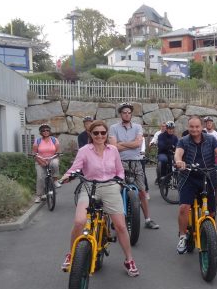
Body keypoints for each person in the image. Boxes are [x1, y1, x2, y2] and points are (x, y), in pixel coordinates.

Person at [60, 120, 139, 277]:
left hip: (110, 186)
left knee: (121, 226)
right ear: (90, 134)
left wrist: (118, 182)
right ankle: (71, 254)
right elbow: (75, 168)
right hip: (89, 186)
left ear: (106, 134)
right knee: (79, 221)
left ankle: (129, 260)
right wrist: (66, 176)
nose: (100, 136)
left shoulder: (113, 150)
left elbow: (119, 170)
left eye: (103, 133)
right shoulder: (84, 150)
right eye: (96, 133)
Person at [174, 116, 217, 254]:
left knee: (211, 212)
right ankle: (182, 236)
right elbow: (178, 154)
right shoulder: (183, 141)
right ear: (188, 127)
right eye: (191, 127)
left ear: (202, 127)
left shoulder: (211, 139)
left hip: (208, 177)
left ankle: (211, 239)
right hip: (188, 176)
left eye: (197, 127)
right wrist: (179, 161)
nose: (194, 129)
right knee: (184, 207)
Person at [108, 102, 159, 230]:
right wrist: (131, 143)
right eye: (124, 112)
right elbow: (114, 146)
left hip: (136, 162)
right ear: (120, 114)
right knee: (117, 191)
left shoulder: (137, 127)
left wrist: (122, 144)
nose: (127, 114)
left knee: (142, 191)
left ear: (131, 114)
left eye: (129, 112)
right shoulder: (113, 128)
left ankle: (148, 219)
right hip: (119, 163)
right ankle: (117, 219)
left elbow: (138, 144)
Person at [32, 124, 61, 203]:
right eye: (43, 130)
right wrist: (41, 161)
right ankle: (39, 195)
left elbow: (58, 152)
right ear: (41, 132)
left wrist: (52, 158)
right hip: (40, 160)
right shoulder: (37, 141)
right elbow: (34, 154)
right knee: (40, 178)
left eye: (47, 130)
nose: (45, 132)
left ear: (49, 131)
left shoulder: (54, 140)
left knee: (55, 163)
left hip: (52, 159)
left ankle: (55, 180)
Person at [203, 116, 217, 214]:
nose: (209, 124)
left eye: (210, 122)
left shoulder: (215, 134)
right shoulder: (202, 132)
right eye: (207, 123)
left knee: (214, 185)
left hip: (212, 159)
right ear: (205, 124)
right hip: (203, 159)